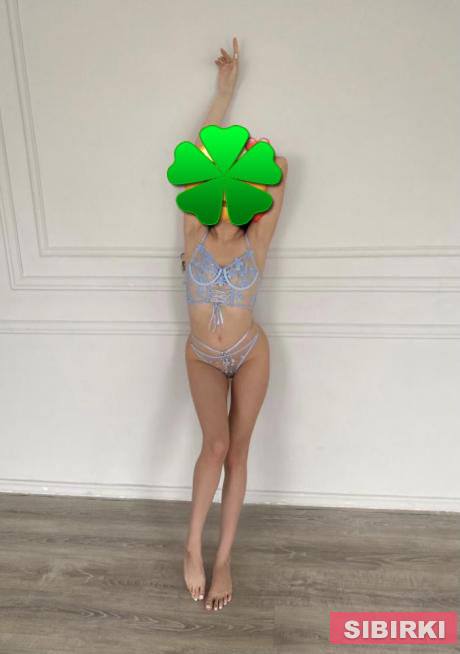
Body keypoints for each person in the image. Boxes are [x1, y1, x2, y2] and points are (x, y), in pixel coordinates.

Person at [181, 36, 288, 611]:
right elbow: (197, 157)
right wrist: (224, 91)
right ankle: (191, 548)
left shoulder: (258, 238)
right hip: (203, 354)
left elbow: (281, 171)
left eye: (236, 186)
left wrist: (251, 161)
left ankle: (223, 559)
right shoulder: (192, 231)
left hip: (250, 351)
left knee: (239, 451)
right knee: (215, 445)